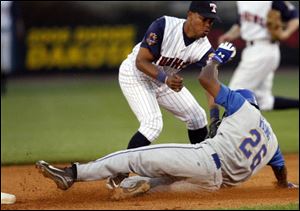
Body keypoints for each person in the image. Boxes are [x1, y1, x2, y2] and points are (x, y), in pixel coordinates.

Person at [36, 42, 298, 200]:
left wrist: (215, 59)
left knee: (134, 158)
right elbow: (280, 169)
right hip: (211, 187)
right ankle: (135, 185)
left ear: (241, 102)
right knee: (151, 188)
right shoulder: (271, 139)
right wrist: (284, 184)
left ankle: (73, 173)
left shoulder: (241, 107)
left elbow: (207, 80)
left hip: (203, 160)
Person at [114, 0, 222, 186]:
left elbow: (210, 79)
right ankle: (118, 175)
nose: (207, 25)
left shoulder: (203, 46)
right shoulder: (164, 25)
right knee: (152, 124)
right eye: (204, 19)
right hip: (135, 75)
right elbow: (141, 62)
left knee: (197, 117)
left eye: (211, 22)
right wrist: (165, 79)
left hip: (165, 80)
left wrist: (214, 114)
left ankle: (200, 168)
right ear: (190, 14)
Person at [218, 1, 299, 111]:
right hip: (253, 50)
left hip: (263, 48)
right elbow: (241, 24)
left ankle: (231, 128)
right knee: (263, 101)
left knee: (234, 94)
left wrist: (286, 33)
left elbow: (294, 18)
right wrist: (229, 35)